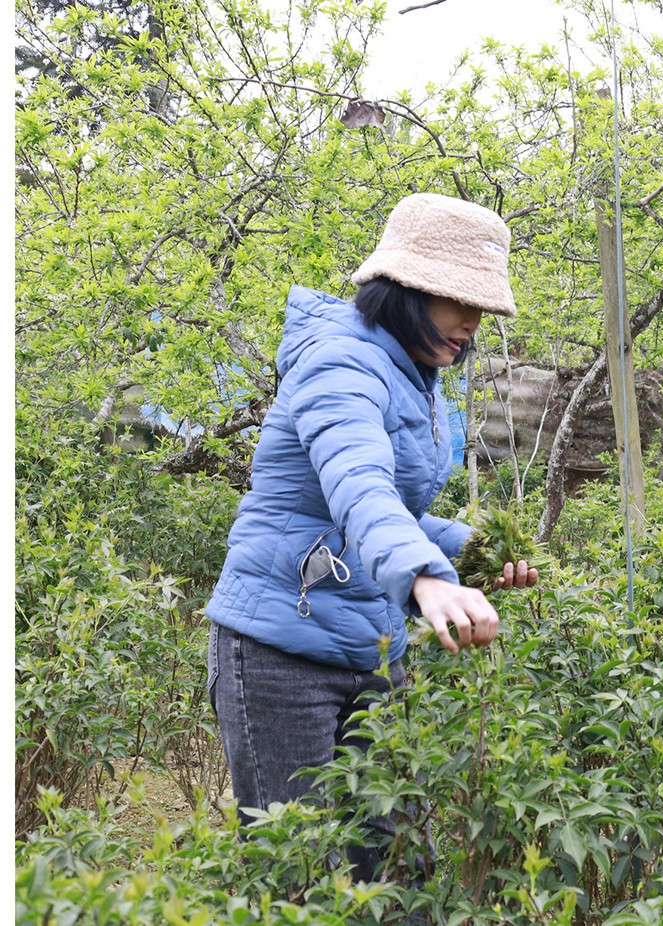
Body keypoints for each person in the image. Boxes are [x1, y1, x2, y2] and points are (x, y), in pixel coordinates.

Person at [205, 192, 539, 880]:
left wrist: (467, 550)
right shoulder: (341, 364)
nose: (472, 323)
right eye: (459, 300)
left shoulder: (415, 373)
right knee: (294, 872)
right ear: (406, 290)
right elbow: (356, 484)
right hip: (279, 650)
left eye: (482, 308)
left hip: (372, 644)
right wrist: (423, 577)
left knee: (395, 870)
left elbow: (389, 510)